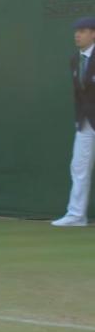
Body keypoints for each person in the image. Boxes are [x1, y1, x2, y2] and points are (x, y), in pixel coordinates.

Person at [52, 17, 95, 227]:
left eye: (83, 31)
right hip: (85, 122)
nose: (77, 35)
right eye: (76, 31)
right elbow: (79, 94)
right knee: (78, 167)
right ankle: (77, 215)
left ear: (93, 34)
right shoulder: (74, 59)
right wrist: (79, 119)